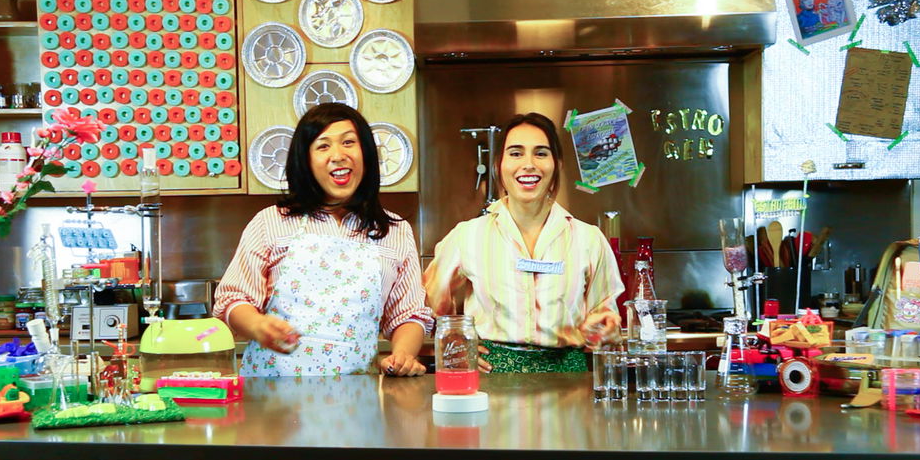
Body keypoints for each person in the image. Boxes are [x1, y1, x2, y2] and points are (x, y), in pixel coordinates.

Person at [213, 103, 433, 377]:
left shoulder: (395, 231)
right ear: (305, 161)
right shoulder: (270, 222)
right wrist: (257, 325)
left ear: (366, 153)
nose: (338, 155)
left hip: (354, 400)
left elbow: (409, 315)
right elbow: (233, 298)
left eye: (349, 142)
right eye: (323, 146)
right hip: (274, 403)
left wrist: (403, 354)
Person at [423, 112, 624, 373]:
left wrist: (605, 326)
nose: (528, 164)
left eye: (541, 153)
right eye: (516, 153)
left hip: (568, 383)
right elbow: (430, 299)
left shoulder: (588, 239)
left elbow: (604, 310)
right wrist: (455, 339)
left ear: (557, 165)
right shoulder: (467, 236)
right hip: (494, 378)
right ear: (498, 165)